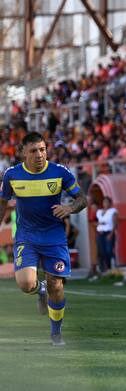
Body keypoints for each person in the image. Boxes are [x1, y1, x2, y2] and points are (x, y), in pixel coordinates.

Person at [0, 131, 88, 345]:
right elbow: (3, 203)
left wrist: (69, 208)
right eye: (33, 151)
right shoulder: (12, 175)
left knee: (56, 286)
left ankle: (56, 333)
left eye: (42, 149)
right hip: (27, 236)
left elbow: (82, 199)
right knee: (25, 284)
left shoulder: (60, 172)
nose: (39, 154)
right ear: (23, 153)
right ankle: (39, 290)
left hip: (54, 237)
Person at [95, 196, 118, 273]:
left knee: (109, 250)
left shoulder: (113, 211)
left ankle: (111, 267)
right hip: (100, 233)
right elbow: (95, 222)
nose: (105, 203)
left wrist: (111, 234)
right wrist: (99, 223)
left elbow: (115, 224)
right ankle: (103, 268)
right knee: (101, 251)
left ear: (110, 203)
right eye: (104, 202)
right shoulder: (99, 212)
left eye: (107, 202)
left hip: (108, 232)